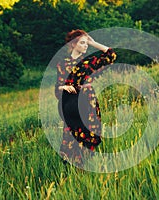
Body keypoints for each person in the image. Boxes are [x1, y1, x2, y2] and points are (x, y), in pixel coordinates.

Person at [55, 29, 117, 165]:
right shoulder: (62, 64)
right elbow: (57, 89)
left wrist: (93, 42)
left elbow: (111, 55)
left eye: (86, 43)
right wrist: (63, 87)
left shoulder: (89, 62)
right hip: (70, 102)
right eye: (82, 43)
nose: (86, 45)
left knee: (90, 130)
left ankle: (86, 163)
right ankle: (72, 166)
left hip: (88, 100)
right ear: (73, 44)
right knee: (71, 132)